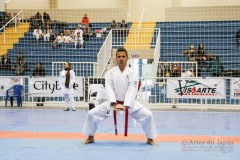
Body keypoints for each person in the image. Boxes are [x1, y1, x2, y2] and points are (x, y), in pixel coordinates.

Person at [82, 47, 157, 145]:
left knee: (148, 115)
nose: (121, 58)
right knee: (92, 114)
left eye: (123, 56)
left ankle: (150, 138)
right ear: (116, 58)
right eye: (119, 56)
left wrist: (126, 105)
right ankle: (90, 136)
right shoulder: (110, 73)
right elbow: (109, 89)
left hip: (130, 104)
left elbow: (132, 90)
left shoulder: (133, 73)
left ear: (127, 58)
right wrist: (114, 103)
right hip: (113, 104)